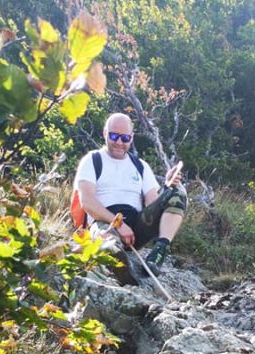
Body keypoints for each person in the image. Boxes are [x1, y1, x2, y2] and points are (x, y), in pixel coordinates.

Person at [73, 112, 187, 279]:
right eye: (114, 136)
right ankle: (121, 269)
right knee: (108, 243)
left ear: (131, 138)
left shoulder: (141, 166)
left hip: (136, 227)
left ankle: (159, 251)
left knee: (178, 192)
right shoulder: (91, 160)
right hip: (105, 223)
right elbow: (88, 202)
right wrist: (118, 225)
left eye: (125, 138)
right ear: (105, 133)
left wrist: (167, 187)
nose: (119, 142)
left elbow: (152, 204)